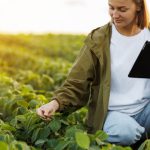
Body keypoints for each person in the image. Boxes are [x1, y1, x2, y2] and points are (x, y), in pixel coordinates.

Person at [36, 0, 150, 146]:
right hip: (112, 114)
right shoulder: (98, 39)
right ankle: (140, 139)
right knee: (126, 133)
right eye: (111, 8)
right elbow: (77, 82)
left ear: (139, 6)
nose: (115, 14)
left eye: (122, 9)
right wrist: (55, 103)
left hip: (145, 109)